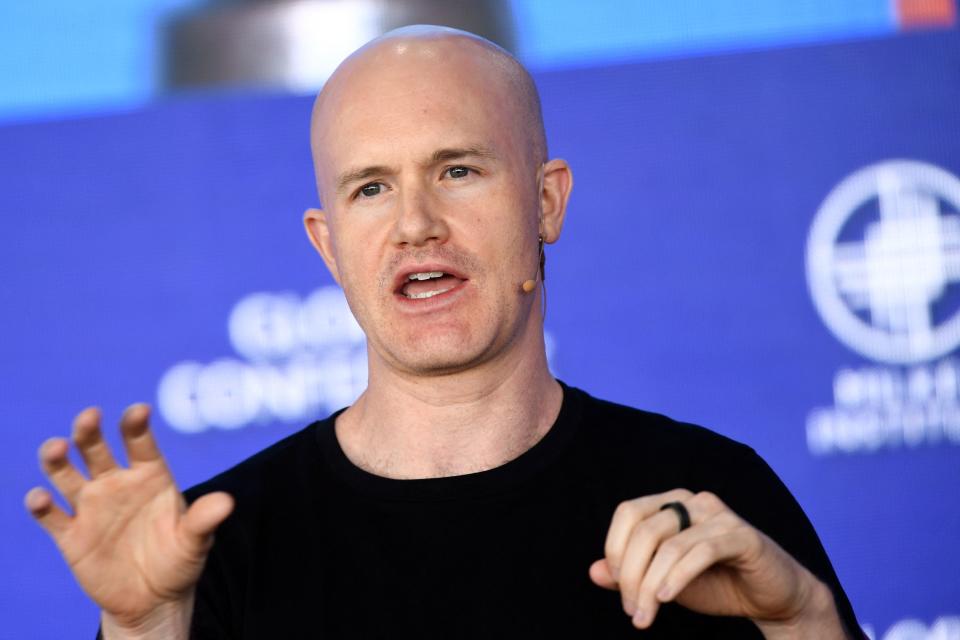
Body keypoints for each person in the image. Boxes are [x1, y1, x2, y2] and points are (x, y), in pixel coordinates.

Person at [26, 25, 864, 639]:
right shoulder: (216, 545)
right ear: (327, 245)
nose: (415, 224)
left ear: (546, 201)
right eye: (370, 189)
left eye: (457, 170)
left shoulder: (708, 497)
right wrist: (144, 632)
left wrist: (804, 621)